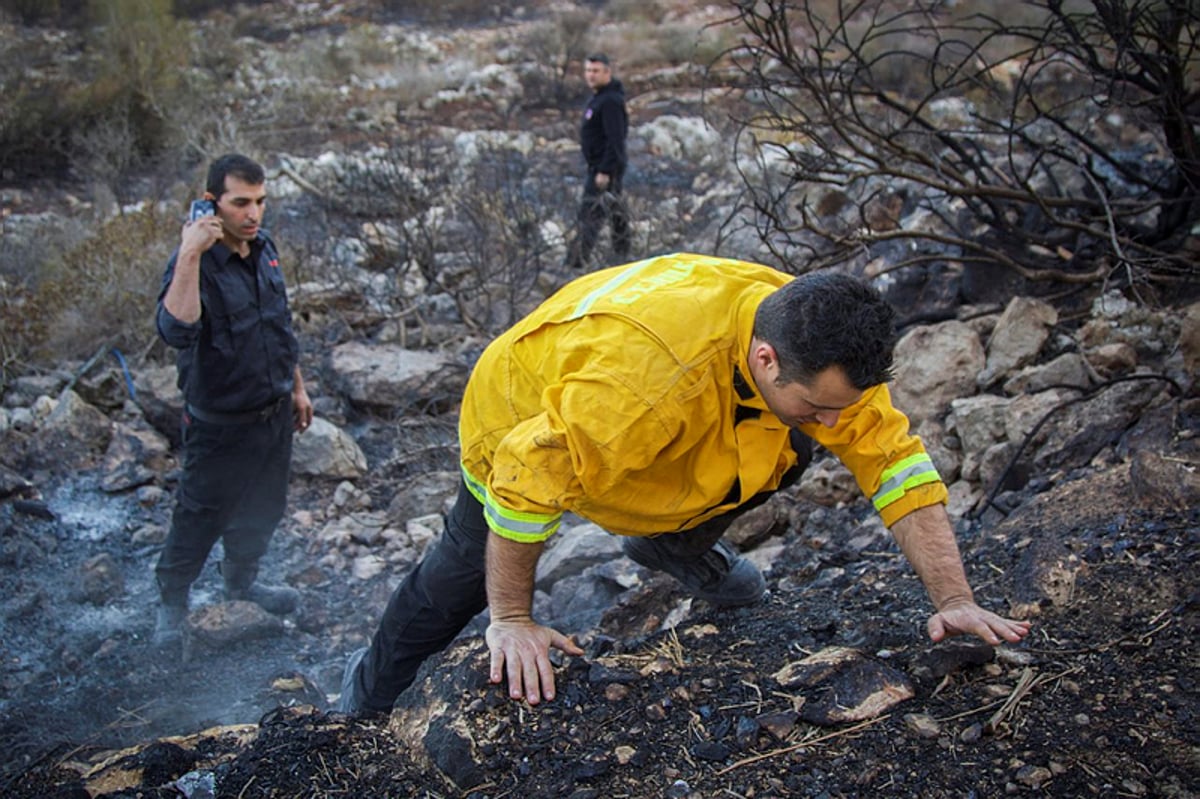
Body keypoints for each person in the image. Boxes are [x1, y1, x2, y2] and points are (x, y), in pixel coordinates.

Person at [337, 253, 1031, 715]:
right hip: (522, 413)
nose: (834, 420)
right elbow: (525, 480)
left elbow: (893, 461)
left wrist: (956, 598)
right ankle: (362, 703)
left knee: (794, 445)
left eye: (840, 405)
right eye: (820, 404)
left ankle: (667, 541)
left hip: (660, 417)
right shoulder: (642, 387)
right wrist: (512, 619)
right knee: (461, 571)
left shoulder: (814, 346)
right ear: (766, 358)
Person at [152, 153, 314, 647]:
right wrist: (189, 252)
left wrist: (299, 387)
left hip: (272, 415)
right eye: (241, 203)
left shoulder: (263, 249)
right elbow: (175, 331)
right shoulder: (194, 264)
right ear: (212, 203)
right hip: (218, 424)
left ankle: (241, 582)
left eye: (260, 202)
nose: (253, 214)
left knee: (264, 508)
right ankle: (172, 602)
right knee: (200, 515)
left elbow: (278, 327)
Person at [566, 53, 632, 271]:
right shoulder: (599, 98)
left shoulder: (611, 101)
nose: (591, 75)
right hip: (598, 166)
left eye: (596, 71)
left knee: (590, 214)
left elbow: (616, 139)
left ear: (607, 72)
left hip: (604, 169)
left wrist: (605, 170)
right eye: (588, 71)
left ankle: (575, 263)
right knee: (615, 213)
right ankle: (622, 257)